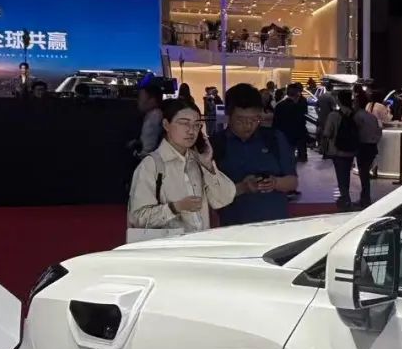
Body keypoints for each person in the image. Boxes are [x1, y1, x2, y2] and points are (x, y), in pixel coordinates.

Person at [128, 99, 236, 237]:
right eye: (184, 123)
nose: (191, 130)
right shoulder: (150, 165)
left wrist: (208, 166)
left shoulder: (198, 161)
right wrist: (175, 207)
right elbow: (137, 218)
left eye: (197, 125)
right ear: (166, 125)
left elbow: (224, 199)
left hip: (199, 242)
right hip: (169, 246)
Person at [212, 85, 298, 225]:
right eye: (240, 120)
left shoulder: (274, 139)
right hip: (234, 228)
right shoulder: (215, 145)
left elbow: (293, 182)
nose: (248, 126)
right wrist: (243, 187)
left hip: (276, 226)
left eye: (254, 119)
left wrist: (275, 183)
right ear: (228, 114)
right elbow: (211, 196)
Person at [326, 89, 360, 210]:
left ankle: (345, 199)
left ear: (339, 100)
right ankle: (346, 198)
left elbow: (327, 132)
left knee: (341, 176)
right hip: (351, 150)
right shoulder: (356, 115)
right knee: (346, 175)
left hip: (337, 150)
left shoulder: (333, 115)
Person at [354, 91, 382, 209]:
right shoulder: (372, 117)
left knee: (363, 174)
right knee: (365, 173)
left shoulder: (357, 116)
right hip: (372, 147)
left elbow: (356, 132)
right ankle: (365, 197)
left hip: (363, 147)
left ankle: (365, 198)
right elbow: (379, 132)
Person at [273, 81, 309, 163]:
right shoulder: (297, 107)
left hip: (282, 134)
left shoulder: (279, 105)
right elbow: (300, 122)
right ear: (297, 94)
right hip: (294, 135)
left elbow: (275, 121)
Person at [134, 81, 164, 157]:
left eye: (141, 99)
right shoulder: (155, 115)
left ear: (152, 100)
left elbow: (147, 148)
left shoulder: (153, 117)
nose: (138, 102)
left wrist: (137, 154)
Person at [314, 81, 337, 153]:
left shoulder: (321, 96)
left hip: (321, 118)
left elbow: (316, 107)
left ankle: (322, 148)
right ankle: (326, 150)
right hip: (329, 119)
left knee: (322, 134)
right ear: (332, 88)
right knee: (328, 134)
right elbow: (334, 108)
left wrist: (319, 114)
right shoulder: (331, 98)